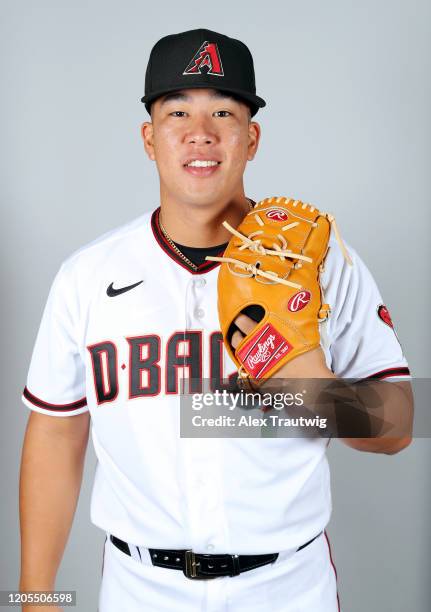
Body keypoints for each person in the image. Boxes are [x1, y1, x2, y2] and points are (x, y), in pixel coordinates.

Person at [19, 28, 413, 612]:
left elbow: (401, 423)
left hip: (287, 589)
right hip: (138, 590)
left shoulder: (319, 264)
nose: (200, 132)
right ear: (149, 138)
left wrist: (303, 380)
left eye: (223, 111)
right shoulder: (86, 275)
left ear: (251, 138)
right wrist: (35, 597)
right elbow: (55, 433)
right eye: (177, 110)